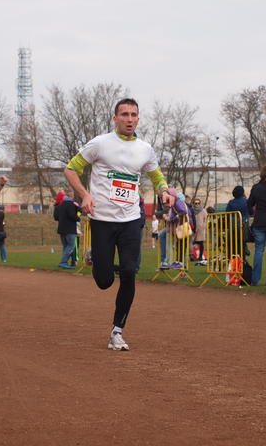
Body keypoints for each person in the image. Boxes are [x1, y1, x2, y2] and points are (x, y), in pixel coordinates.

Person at [64, 98, 175, 351]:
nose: (129, 119)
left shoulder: (145, 149)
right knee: (104, 281)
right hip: (102, 220)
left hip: (131, 220)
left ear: (138, 118)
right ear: (115, 118)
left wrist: (164, 191)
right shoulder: (100, 144)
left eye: (133, 114)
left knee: (128, 271)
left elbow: (156, 176)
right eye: (124, 114)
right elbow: (70, 169)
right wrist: (85, 195)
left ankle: (117, 331)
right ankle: (96, 256)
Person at [53, 191, 80, 269]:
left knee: (66, 246)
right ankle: (63, 262)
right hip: (70, 229)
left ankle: (67, 262)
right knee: (71, 246)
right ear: (71, 197)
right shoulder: (71, 204)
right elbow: (72, 215)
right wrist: (78, 218)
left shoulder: (59, 205)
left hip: (61, 229)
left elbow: (56, 217)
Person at [225, 185, 251, 256]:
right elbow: (251, 212)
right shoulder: (246, 201)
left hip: (232, 226)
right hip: (244, 225)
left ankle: (234, 257)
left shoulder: (231, 202)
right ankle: (244, 251)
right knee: (242, 241)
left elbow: (227, 214)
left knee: (233, 243)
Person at [192, 198, 207, 265]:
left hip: (201, 229)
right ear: (194, 204)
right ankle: (193, 255)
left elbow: (206, 219)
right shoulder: (192, 210)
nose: (197, 204)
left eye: (198, 203)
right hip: (193, 228)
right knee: (193, 242)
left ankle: (200, 256)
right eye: (196, 203)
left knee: (201, 243)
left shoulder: (203, 210)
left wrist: (203, 226)